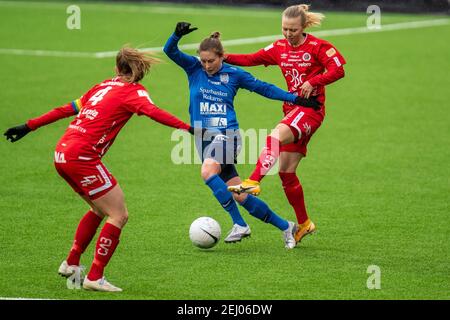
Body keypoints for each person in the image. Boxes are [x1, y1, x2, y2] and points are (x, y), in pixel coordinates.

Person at [4, 47, 193, 292]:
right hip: (82, 157)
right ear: (141, 72)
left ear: (116, 69)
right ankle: (95, 276)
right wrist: (188, 129)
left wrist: (29, 126)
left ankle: (72, 263)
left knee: (97, 208)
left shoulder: (102, 86)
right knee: (119, 214)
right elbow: (153, 112)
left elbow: (66, 109)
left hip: (62, 152)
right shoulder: (135, 92)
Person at [164, 22, 319, 248]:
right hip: (203, 139)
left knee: (207, 171)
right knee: (240, 194)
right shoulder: (194, 68)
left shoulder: (234, 74)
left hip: (227, 134)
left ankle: (239, 224)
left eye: (212, 61)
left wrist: (296, 99)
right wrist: (176, 35)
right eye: (204, 61)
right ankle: (287, 227)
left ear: (221, 57)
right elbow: (170, 51)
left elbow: (264, 88)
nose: (207, 65)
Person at [226, 4, 346, 246]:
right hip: (293, 110)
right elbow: (251, 59)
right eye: (284, 29)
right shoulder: (279, 48)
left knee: (274, 137)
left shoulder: (318, 47)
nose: (288, 34)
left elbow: (339, 69)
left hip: (310, 110)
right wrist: (223, 57)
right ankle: (304, 223)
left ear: (303, 28)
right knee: (286, 172)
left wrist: (315, 81)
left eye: (293, 29)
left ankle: (252, 180)